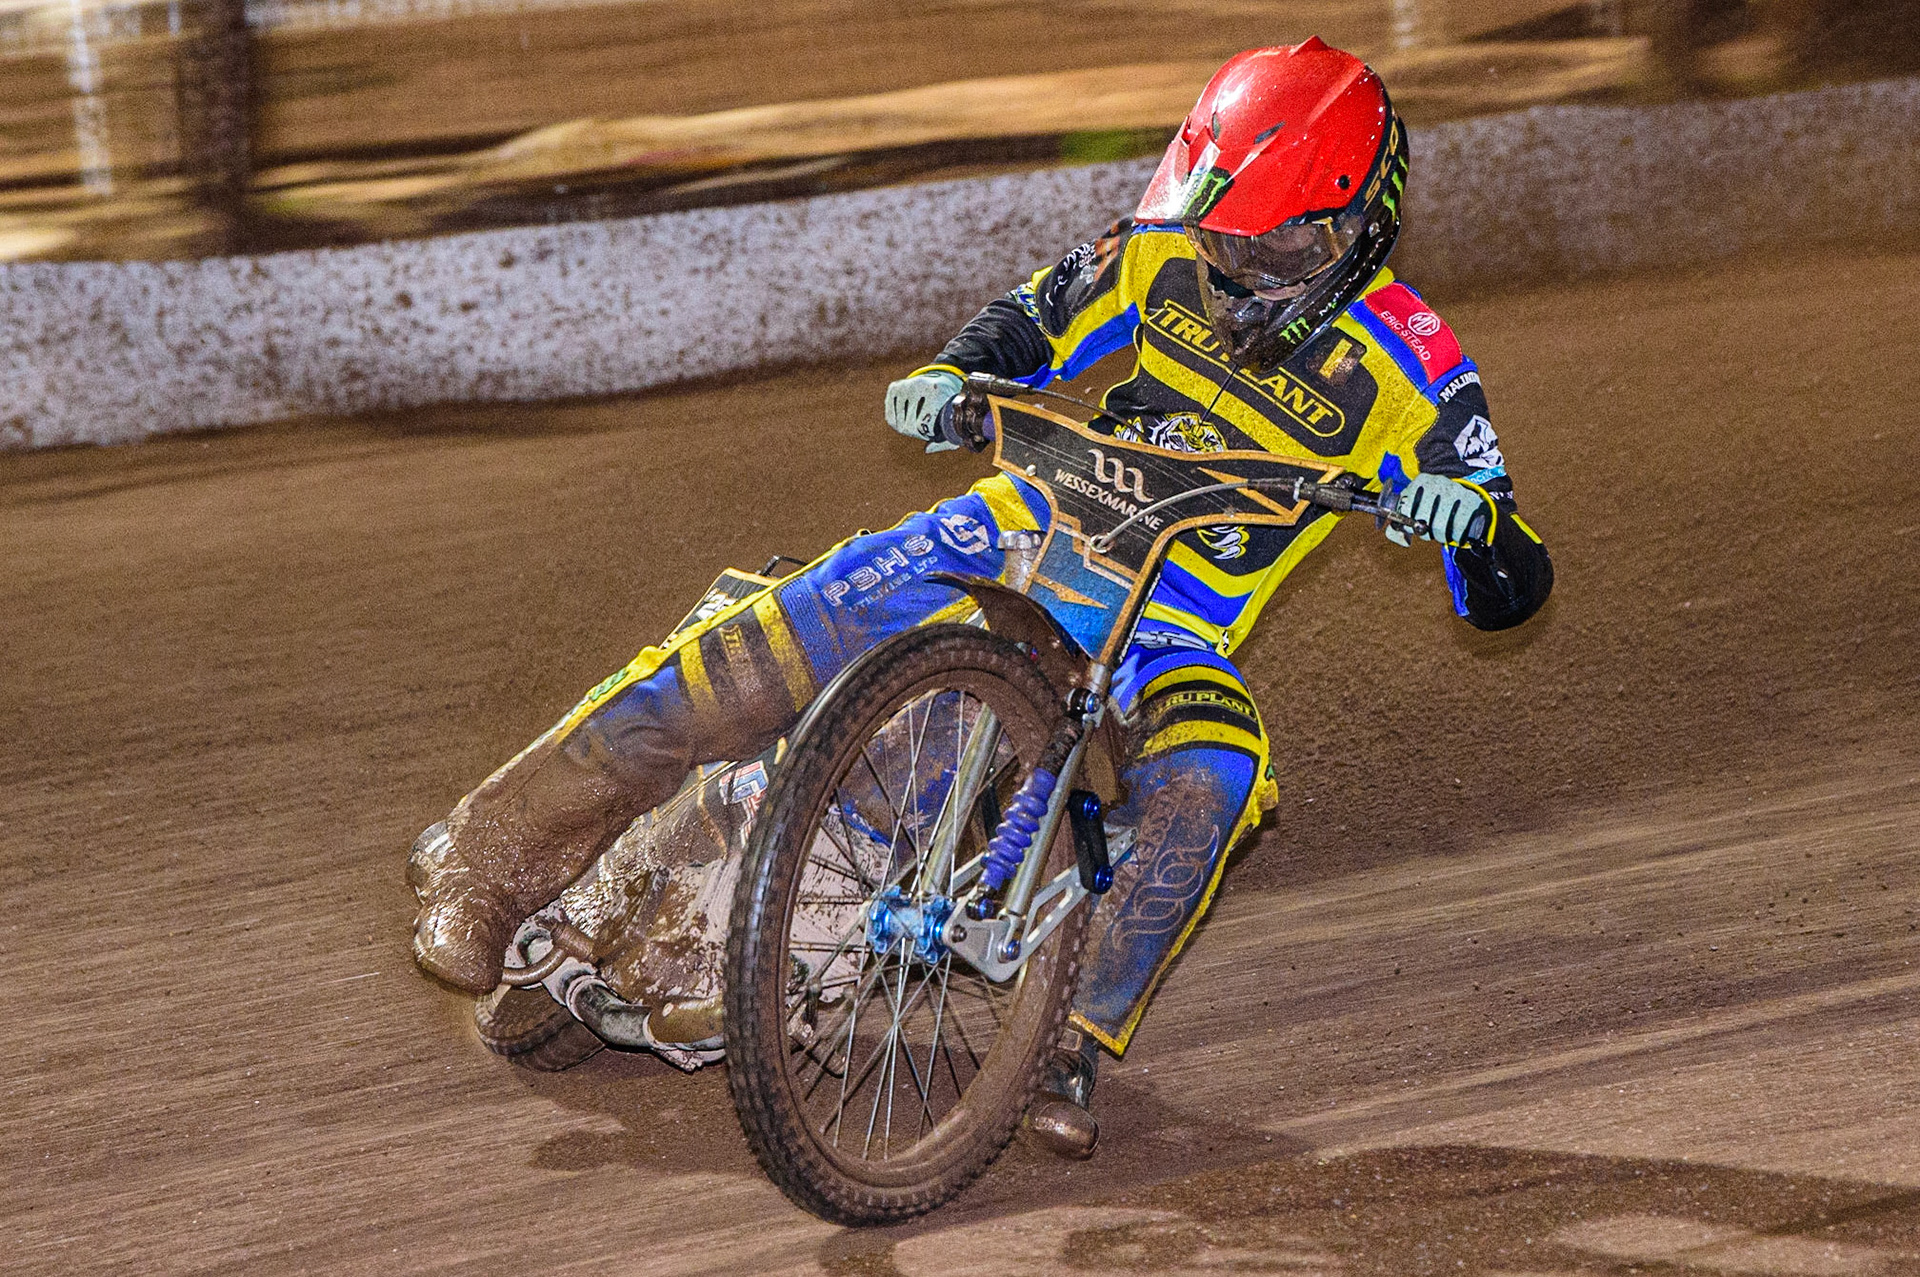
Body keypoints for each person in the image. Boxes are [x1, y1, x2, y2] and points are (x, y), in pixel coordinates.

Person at [410, 38, 1552, 1159]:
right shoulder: (1160, 253)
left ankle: (1068, 1033)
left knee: (1222, 766)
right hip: (1025, 523)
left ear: (1354, 227)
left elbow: (1509, 578)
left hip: (1172, 623)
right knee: (787, 626)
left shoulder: (1417, 361)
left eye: (1265, 243)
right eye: (1216, 229)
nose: (1227, 260)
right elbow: (1030, 319)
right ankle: (488, 862)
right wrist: (956, 374)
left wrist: (1472, 524)